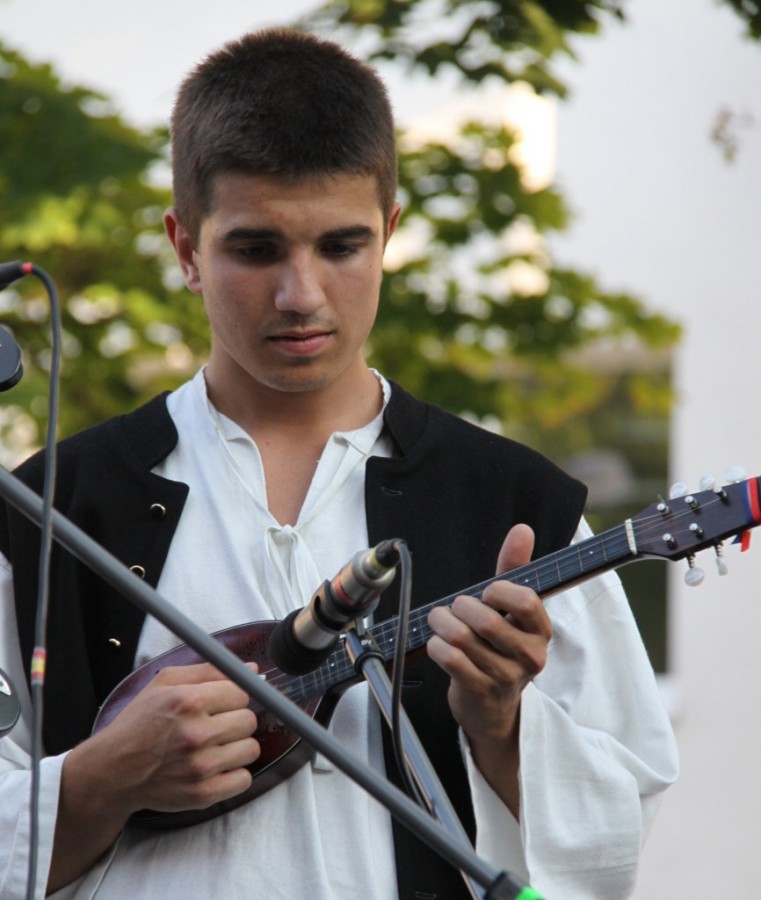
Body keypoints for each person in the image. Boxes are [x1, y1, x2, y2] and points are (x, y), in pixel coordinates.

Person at [0, 27, 678, 900]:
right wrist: (102, 779)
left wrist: (502, 727)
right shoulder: (53, 506)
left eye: (340, 246)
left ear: (388, 233)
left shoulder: (515, 504)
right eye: (255, 249)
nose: (301, 295)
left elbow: (615, 835)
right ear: (185, 248)